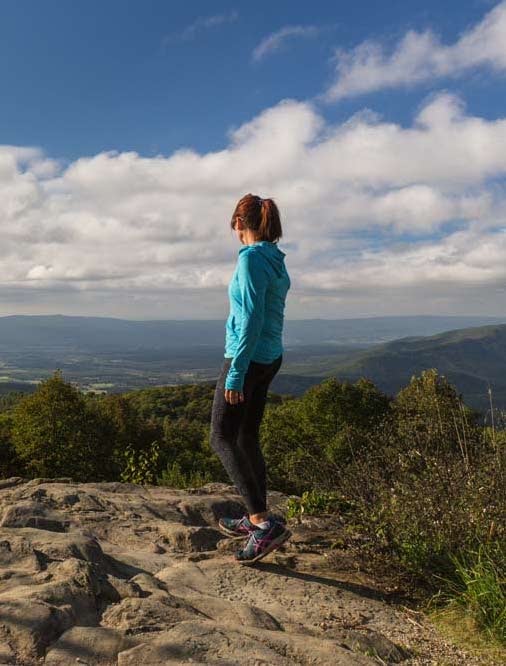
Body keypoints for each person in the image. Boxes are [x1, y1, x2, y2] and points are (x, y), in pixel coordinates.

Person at [210, 192, 292, 565]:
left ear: (238, 223)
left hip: (248, 358)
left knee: (221, 437)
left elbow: (251, 320)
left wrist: (236, 374)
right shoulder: (275, 260)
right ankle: (257, 514)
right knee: (247, 436)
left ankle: (261, 523)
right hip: (270, 356)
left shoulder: (252, 261)